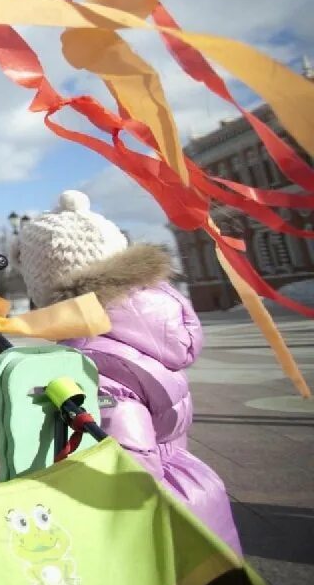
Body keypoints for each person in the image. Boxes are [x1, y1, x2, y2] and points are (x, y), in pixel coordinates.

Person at [13, 190, 242, 554]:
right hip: (190, 488)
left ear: (49, 285)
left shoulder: (95, 362)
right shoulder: (140, 331)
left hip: (162, 529)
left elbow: (128, 478)